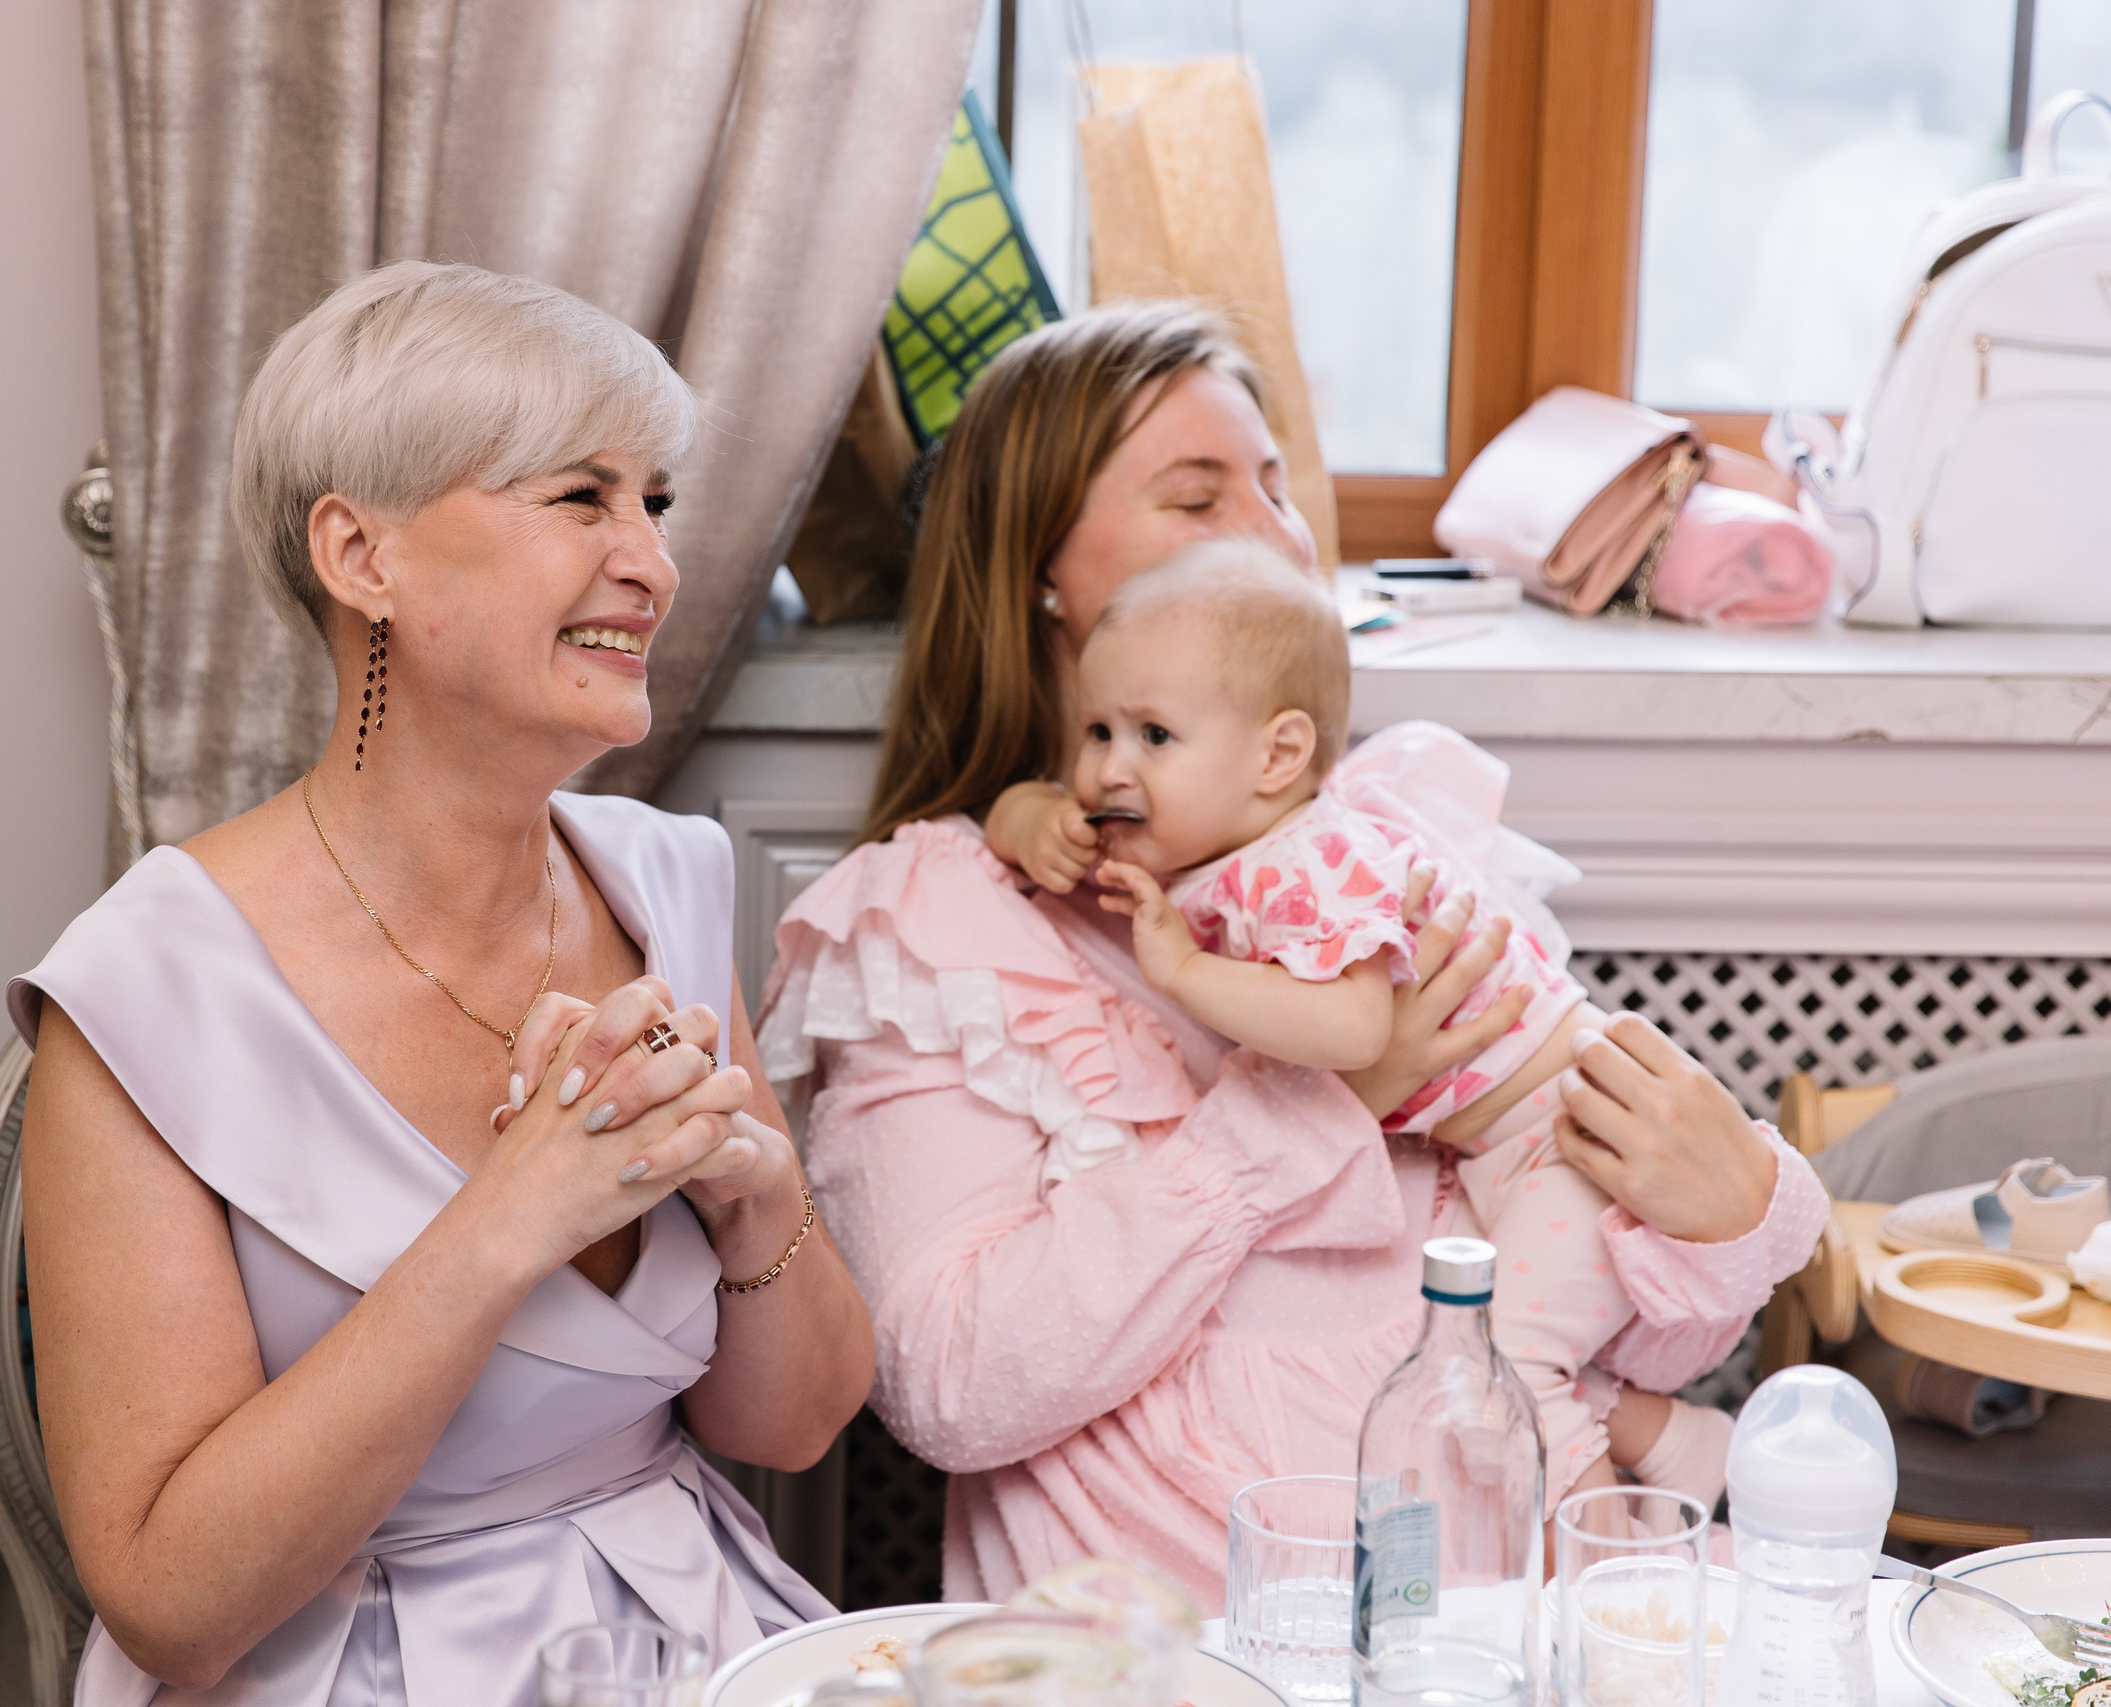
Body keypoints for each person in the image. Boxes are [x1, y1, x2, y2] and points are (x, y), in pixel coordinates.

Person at [758, 301, 1827, 1610]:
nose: (1272, 532)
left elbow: (1621, 1323)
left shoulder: (1382, 846)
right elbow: (951, 1382)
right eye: (1198, 495)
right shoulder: (939, 922)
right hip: (1194, 1616)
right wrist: (1303, 1104)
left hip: (1501, 1603)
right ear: (1038, 565)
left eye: (1277, 486)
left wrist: (1721, 1209)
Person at [14, 261, 871, 1707]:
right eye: (578, 496)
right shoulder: (145, 993)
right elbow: (170, 1603)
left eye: (652, 501)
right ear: (363, 555)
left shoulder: (667, 881)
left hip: (695, 1639)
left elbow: (787, 1425)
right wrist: (508, 1220)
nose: (653, 562)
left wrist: (758, 1199)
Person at [1057, 539, 1727, 1504]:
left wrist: (1185, 968)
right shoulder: (1251, 853)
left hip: (1563, 1137)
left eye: (1153, 736)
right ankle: (1683, 1446)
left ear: (1280, 753)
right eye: (1096, 732)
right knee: (1502, 1343)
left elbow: (1355, 1030)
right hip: (1514, 1145)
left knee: (1514, 1361)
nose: (1109, 770)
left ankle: (1595, 1566)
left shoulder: (1309, 858)